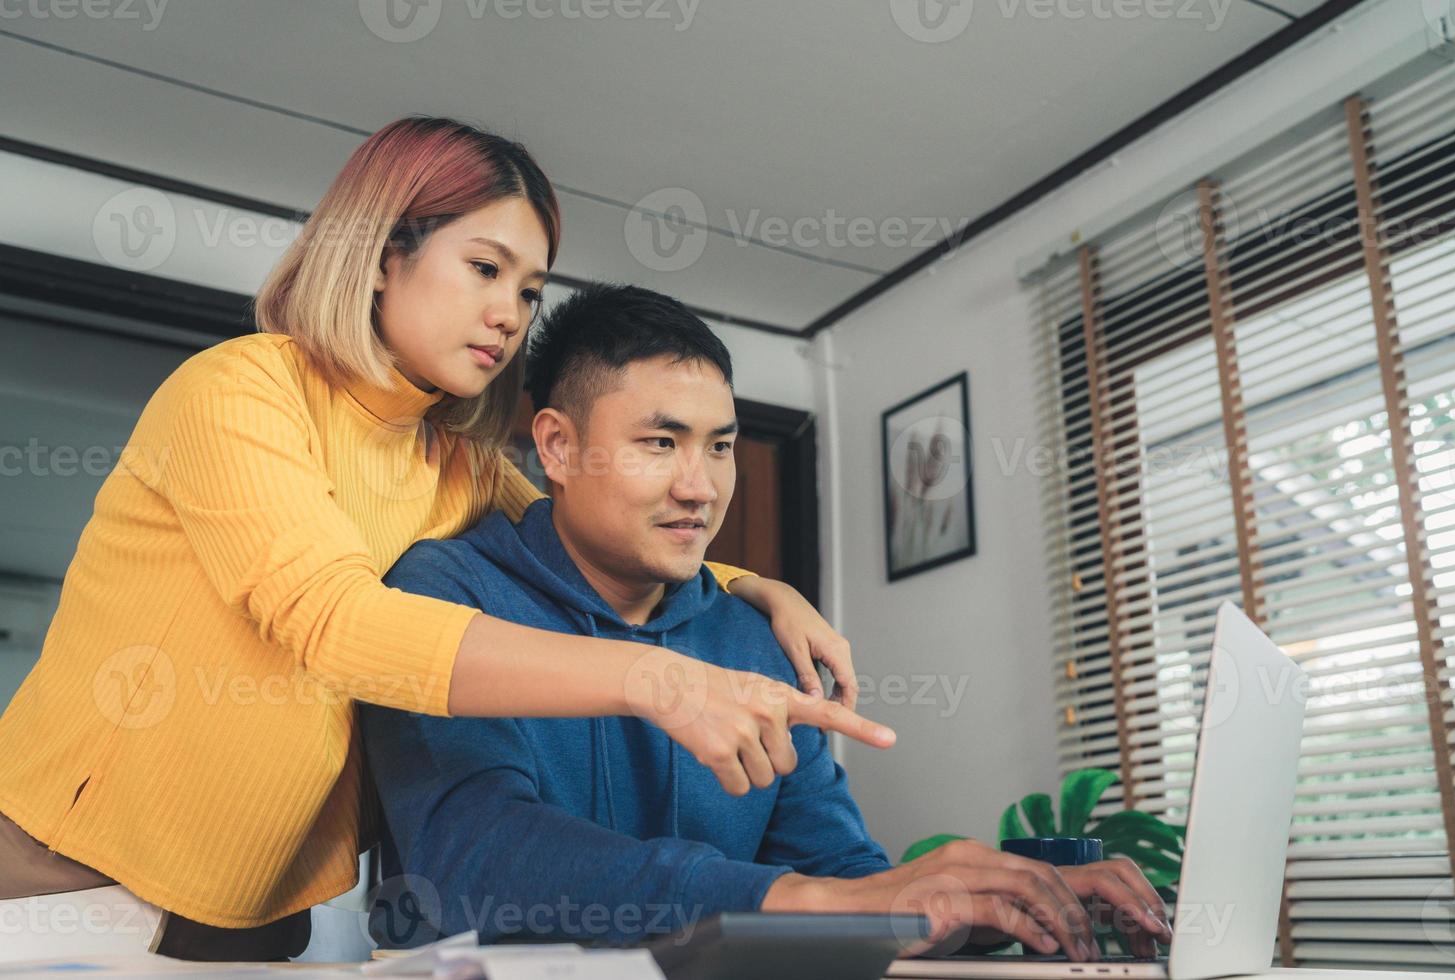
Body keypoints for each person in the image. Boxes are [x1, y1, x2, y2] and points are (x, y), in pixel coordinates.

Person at [0, 117, 891, 962]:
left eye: (529, 288)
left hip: (251, 908)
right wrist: (655, 680)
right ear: (384, 254)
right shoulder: (239, 390)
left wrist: (751, 588)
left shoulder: (452, 465)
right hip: (63, 870)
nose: (509, 313)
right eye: (484, 267)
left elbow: (588, 522)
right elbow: (336, 624)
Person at [361, 284, 1174, 960]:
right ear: (559, 449)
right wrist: (790, 898)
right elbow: (474, 860)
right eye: (660, 442)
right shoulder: (442, 596)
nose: (701, 487)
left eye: (720, 447)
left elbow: (843, 876)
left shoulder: (760, 638)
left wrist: (1004, 904)